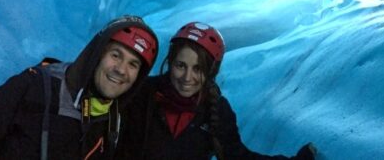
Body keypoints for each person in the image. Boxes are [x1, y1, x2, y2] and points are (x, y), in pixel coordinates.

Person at [0, 15, 159, 160]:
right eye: (115, 55)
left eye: (133, 64)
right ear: (97, 54)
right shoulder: (37, 86)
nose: (121, 70)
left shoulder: (114, 120)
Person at [120, 22, 316, 159]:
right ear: (170, 63)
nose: (187, 78)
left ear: (211, 72)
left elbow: (239, 157)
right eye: (181, 65)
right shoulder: (141, 94)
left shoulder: (217, 111)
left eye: (198, 69)